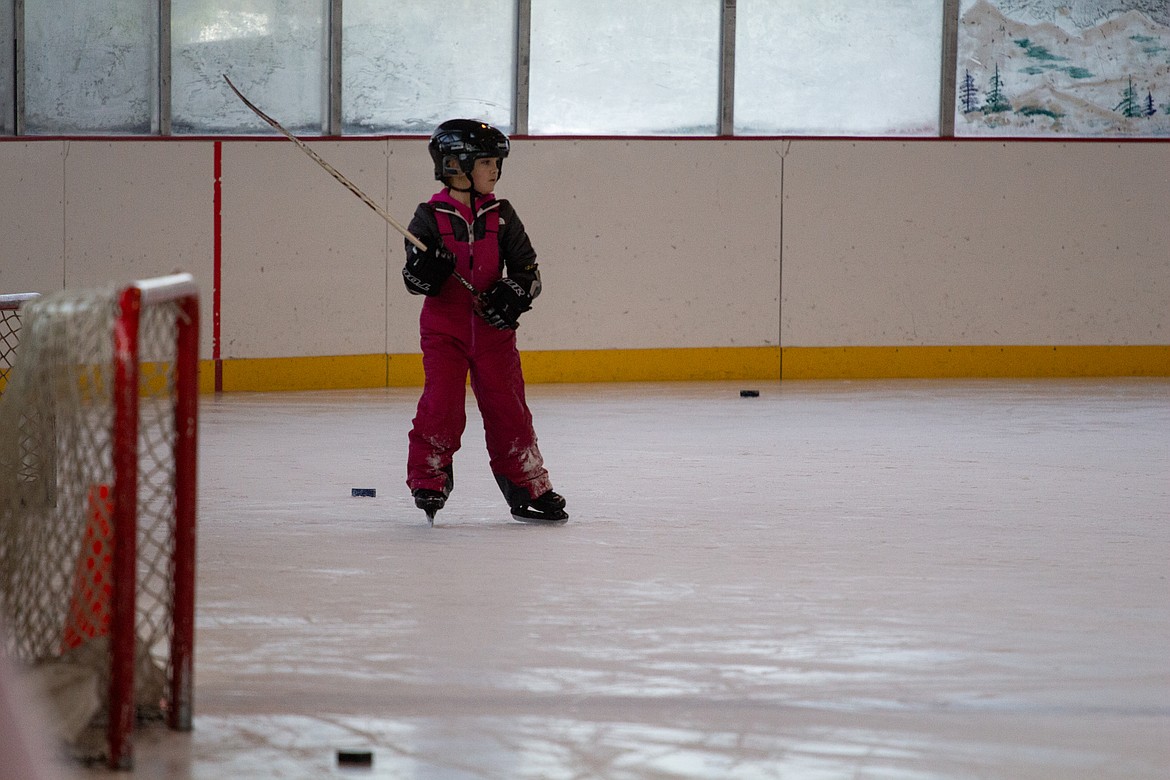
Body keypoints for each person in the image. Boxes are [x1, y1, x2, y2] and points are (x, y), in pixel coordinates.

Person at [401, 119, 567, 525]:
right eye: (488, 162)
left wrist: (513, 295)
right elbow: (413, 281)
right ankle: (429, 478)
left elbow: (530, 273)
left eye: (497, 162)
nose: (495, 170)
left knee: (509, 410)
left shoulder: (503, 214)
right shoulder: (428, 217)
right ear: (455, 165)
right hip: (445, 333)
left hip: (495, 335)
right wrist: (429, 269)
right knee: (441, 406)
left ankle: (528, 485)